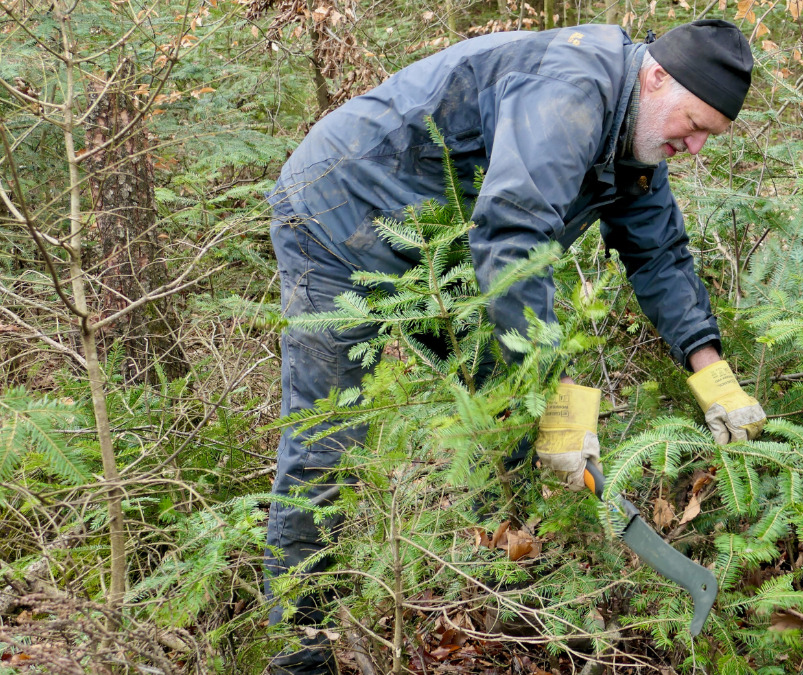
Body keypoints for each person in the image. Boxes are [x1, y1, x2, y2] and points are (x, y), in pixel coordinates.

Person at [265, 19, 768, 674]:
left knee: (506, 415)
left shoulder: (637, 134)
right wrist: (560, 399)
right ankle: (299, 650)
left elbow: (660, 256)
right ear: (656, 76)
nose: (694, 145)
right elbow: (513, 234)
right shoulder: (568, 87)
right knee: (326, 437)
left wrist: (712, 375)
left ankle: (499, 600)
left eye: (709, 135)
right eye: (694, 122)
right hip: (340, 215)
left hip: (447, 257)